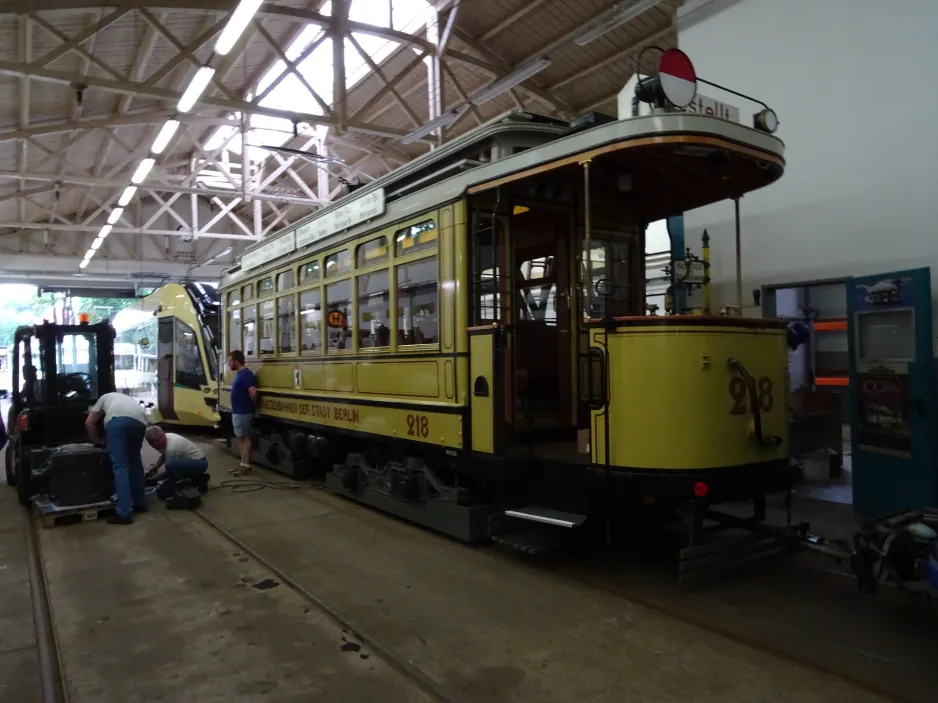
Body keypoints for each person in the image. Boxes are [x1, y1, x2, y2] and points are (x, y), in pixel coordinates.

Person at [85, 392, 148, 525]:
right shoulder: (125, 398)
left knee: (120, 465)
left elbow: (89, 423)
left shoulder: (103, 398)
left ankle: (124, 512)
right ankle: (141, 503)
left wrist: (97, 442)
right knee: (135, 461)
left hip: (117, 421)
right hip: (140, 422)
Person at [144, 426, 209, 500]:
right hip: (193, 462)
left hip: (199, 464)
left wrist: (153, 480)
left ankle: (197, 479)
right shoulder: (167, 437)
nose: (154, 444)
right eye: (150, 442)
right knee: (172, 466)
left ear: (162, 436)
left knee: (162, 493)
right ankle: (197, 477)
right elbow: (164, 455)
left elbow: (169, 470)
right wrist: (155, 468)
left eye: (156, 441)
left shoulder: (172, 447)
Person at [227, 350, 257, 476]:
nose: (229, 364)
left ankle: (246, 464)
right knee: (240, 438)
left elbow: (253, 392)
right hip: (238, 411)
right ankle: (242, 463)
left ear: (237, 361)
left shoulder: (246, 374)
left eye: (230, 361)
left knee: (244, 438)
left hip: (243, 411)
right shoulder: (240, 374)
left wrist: (251, 405)